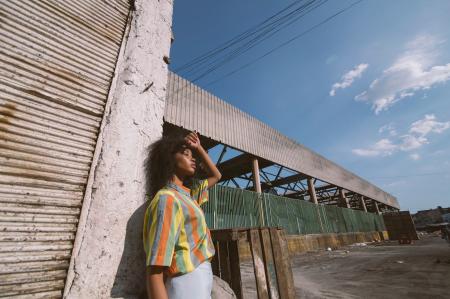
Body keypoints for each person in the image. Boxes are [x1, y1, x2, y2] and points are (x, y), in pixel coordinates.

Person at [143, 131, 222, 299]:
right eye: (186, 154)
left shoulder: (190, 195)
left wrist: (199, 148)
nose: (193, 158)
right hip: (187, 280)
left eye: (193, 155)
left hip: (201, 276)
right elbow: (155, 270)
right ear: (169, 159)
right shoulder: (167, 199)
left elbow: (217, 175)